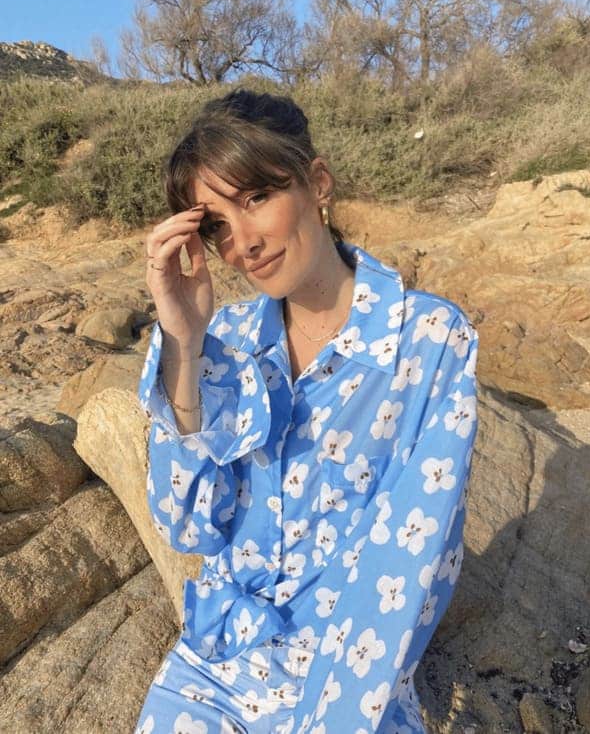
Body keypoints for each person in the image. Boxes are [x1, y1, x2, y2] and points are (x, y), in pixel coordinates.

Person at [134, 88, 479, 734]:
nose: (242, 243)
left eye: (256, 198)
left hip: (350, 678)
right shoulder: (227, 342)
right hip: (216, 666)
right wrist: (184, 343)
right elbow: (189, 529)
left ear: (316, 182)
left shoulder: (428, 342)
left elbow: (414, 562)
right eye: (215, 226)